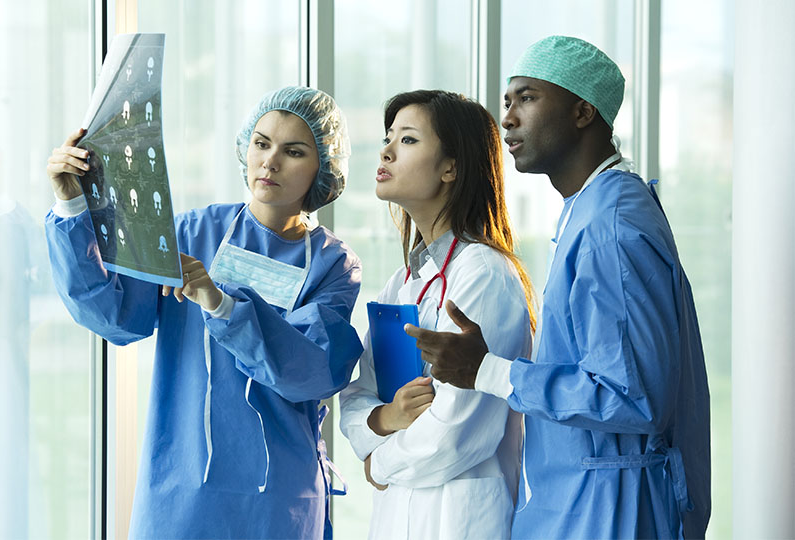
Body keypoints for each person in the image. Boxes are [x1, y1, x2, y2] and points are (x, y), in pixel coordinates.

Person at [405, 36, 711, 539]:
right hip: (581, 502)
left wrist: (490, 371)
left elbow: (634, 397)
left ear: (582, 111)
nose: (507, 119)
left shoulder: (610, 225)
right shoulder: (587, 212)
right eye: (506, 102)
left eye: (526, 98)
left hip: (615, 512)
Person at [44, 86, 363, 539]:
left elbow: (311, 370)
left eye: (293, 151)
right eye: (261, 143)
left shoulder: (333, 264)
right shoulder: (191, 233)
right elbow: (116, 317)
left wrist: (222, 303)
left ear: (323, 168)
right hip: (181, 490)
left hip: (279, 498)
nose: (270, 161)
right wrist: (70, 202)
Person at [339, 90, 536, 539]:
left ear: (451, 167)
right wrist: (386, 417)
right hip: (397, 517)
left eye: (407, 140)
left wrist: (379, 463)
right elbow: (354, 399)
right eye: (388, 137)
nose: (386, 150)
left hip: (460, 519)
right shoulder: (404, 280)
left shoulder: (485, 273)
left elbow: (456, 431)